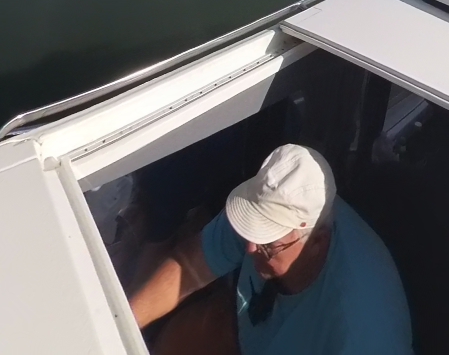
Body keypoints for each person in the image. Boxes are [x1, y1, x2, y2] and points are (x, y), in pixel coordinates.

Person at [128, 144, 411, 355]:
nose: (250, 248)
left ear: (316, 243)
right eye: (248, 231)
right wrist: (122, 322)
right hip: (245, 331)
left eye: (267, 242)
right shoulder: (275, 203)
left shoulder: (364, 334)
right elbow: (190, 267)